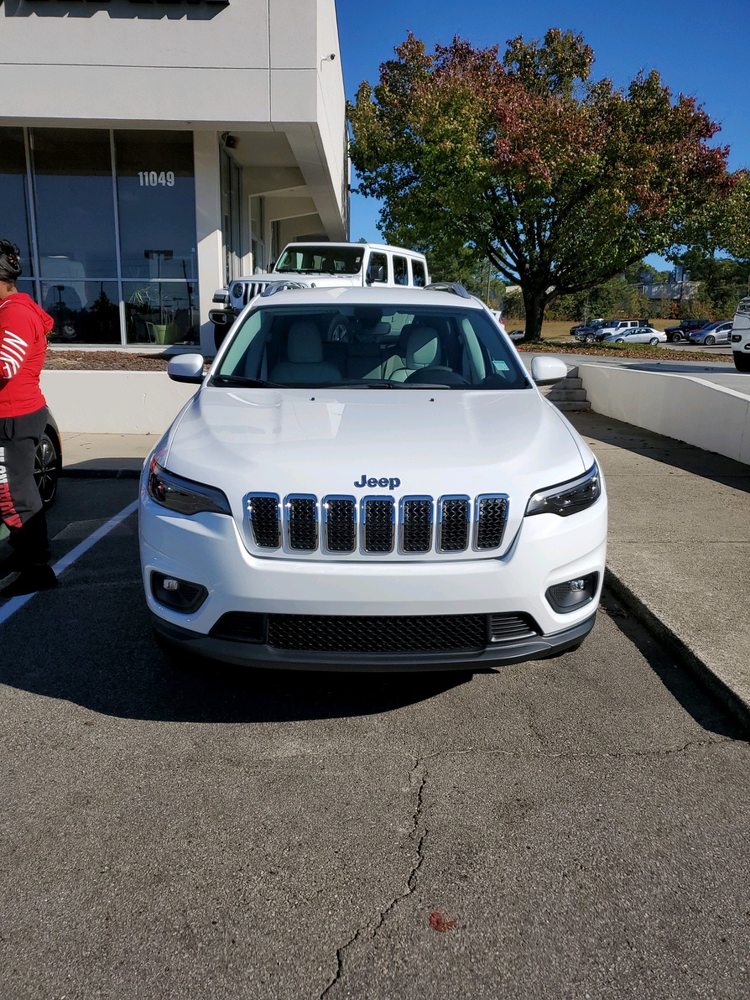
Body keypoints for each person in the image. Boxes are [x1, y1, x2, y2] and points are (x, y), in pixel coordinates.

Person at [0, 239, 57, 597]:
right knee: (14, 490)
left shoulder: (15, 313)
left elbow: (5, 365)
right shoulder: (10, 309)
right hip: (15, 416)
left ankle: (37, 569)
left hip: (14, 417)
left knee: (13, 493)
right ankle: (25, 554)